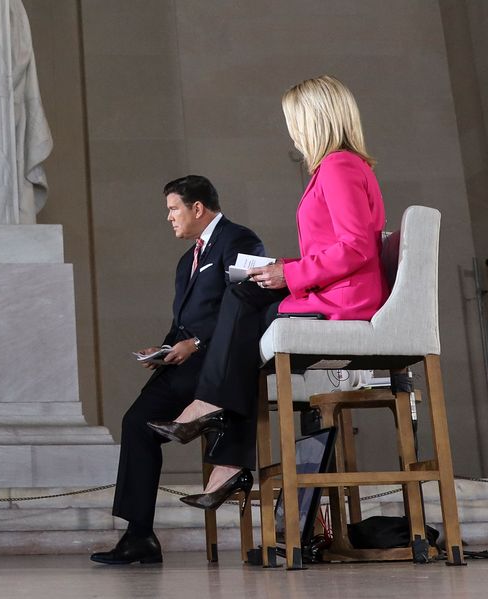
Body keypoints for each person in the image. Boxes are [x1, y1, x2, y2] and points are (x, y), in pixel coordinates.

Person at [147, 75, 387, 513]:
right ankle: (225, 456)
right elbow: (335, 247)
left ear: (314, 121)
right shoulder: (339, 168)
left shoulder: (338, 167)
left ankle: (212, 420)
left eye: (294, 121)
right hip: (329, 288)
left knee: (239, 301)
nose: (292, 132)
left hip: (344, 298)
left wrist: (289, 275)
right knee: (242, 310)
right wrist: (284, 270)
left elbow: (355, 248)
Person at [91, 176, 265, 565]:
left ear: (197, 208)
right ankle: (139, 536)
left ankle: (220, 441)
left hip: (219, 363)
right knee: (136, 423)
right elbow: (184, 321)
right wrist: (165, 346)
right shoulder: (187, 260)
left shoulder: (239, 240)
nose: (169, 218)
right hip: (184, 363)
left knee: (144, 420)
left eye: (173, 209)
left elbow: (246, 303)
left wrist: (197, 343)